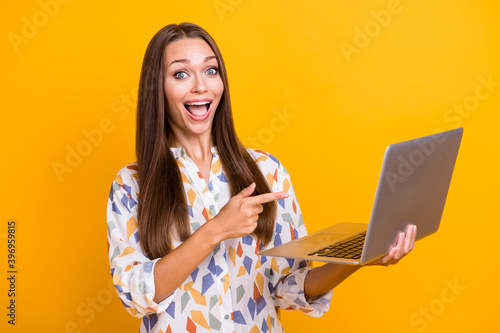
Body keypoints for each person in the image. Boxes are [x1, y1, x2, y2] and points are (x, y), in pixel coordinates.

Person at [106, 22, 416, 333]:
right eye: (181, 74)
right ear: (156, 87)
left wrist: (357, 260)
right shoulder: (132, 184)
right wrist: (215, 230)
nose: (201, 86)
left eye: (211, 71)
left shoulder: (266, 169)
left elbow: (288, 287)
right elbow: (135, 295)